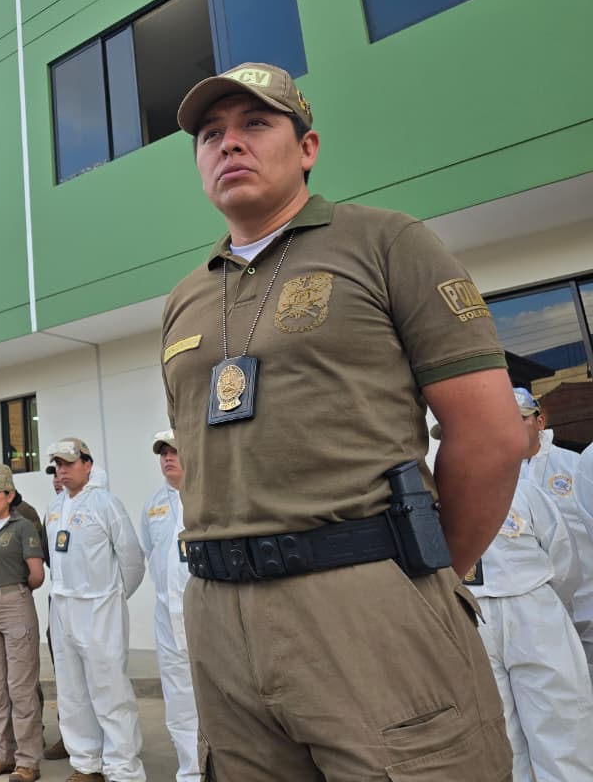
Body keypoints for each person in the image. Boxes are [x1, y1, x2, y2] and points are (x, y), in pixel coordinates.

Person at [161, 62, 525, 778]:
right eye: (210, 134)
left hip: (362, 595)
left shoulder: (385, 243)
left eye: (255, 124)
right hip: (218, 610)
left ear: (307, 148)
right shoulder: (185, 298)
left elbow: (491, 433)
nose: (228, 144)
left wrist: (423, 574)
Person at [462, 391, 593, 781]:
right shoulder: (443, 491)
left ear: (539, 419)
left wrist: (547, 603)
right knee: (502, 732)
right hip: (477, 614)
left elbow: (565, 560)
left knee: (561, 722)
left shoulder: (530, 486)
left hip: (536, 605)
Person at [44, 438, 146, 782]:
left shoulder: (106, 504)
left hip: (100, 609)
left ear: (88, 464)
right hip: (63, 609)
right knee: (72, 693)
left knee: (110, 692)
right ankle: (87, 763)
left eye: (69, 463)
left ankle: (123, 769)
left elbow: (132, 559)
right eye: (58, 464)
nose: (62, 470)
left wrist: (114, 597)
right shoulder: (54, 507)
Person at [0, 467, 47, 781]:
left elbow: (37, 575)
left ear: (10, 495)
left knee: (20, 687)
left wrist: (13, 589)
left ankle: (28, 759)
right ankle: (1, 752)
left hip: (15, 603)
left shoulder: (23, 526)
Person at [518, 389, 593, 679]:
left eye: (521, 418)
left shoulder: (576, 466)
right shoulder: (501, 476)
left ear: (540, 420)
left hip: (588, 597)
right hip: (542, 611)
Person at [140, 430, 199, 782]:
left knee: (222, 700)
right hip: (168, 618)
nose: (167, 457)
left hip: (206, 614)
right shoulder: (154, 505)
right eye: (162, 452)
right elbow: (148, 555)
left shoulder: (209, 496)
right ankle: (191, 773)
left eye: (174, 450)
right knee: (179, 703)